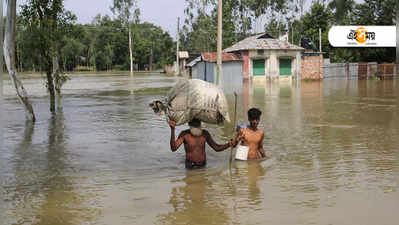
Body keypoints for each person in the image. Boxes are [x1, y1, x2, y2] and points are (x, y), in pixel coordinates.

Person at [169, 118, 234, 169]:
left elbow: (216, 148)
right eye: (194, 123)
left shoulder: (205, 133)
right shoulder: (185, 134)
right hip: (190, 166)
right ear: (189, 124)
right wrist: (172, 130)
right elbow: (173, 148)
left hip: (203, 165)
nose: (196, 125)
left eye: (197, 123)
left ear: (200, 124)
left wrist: (228, 144)